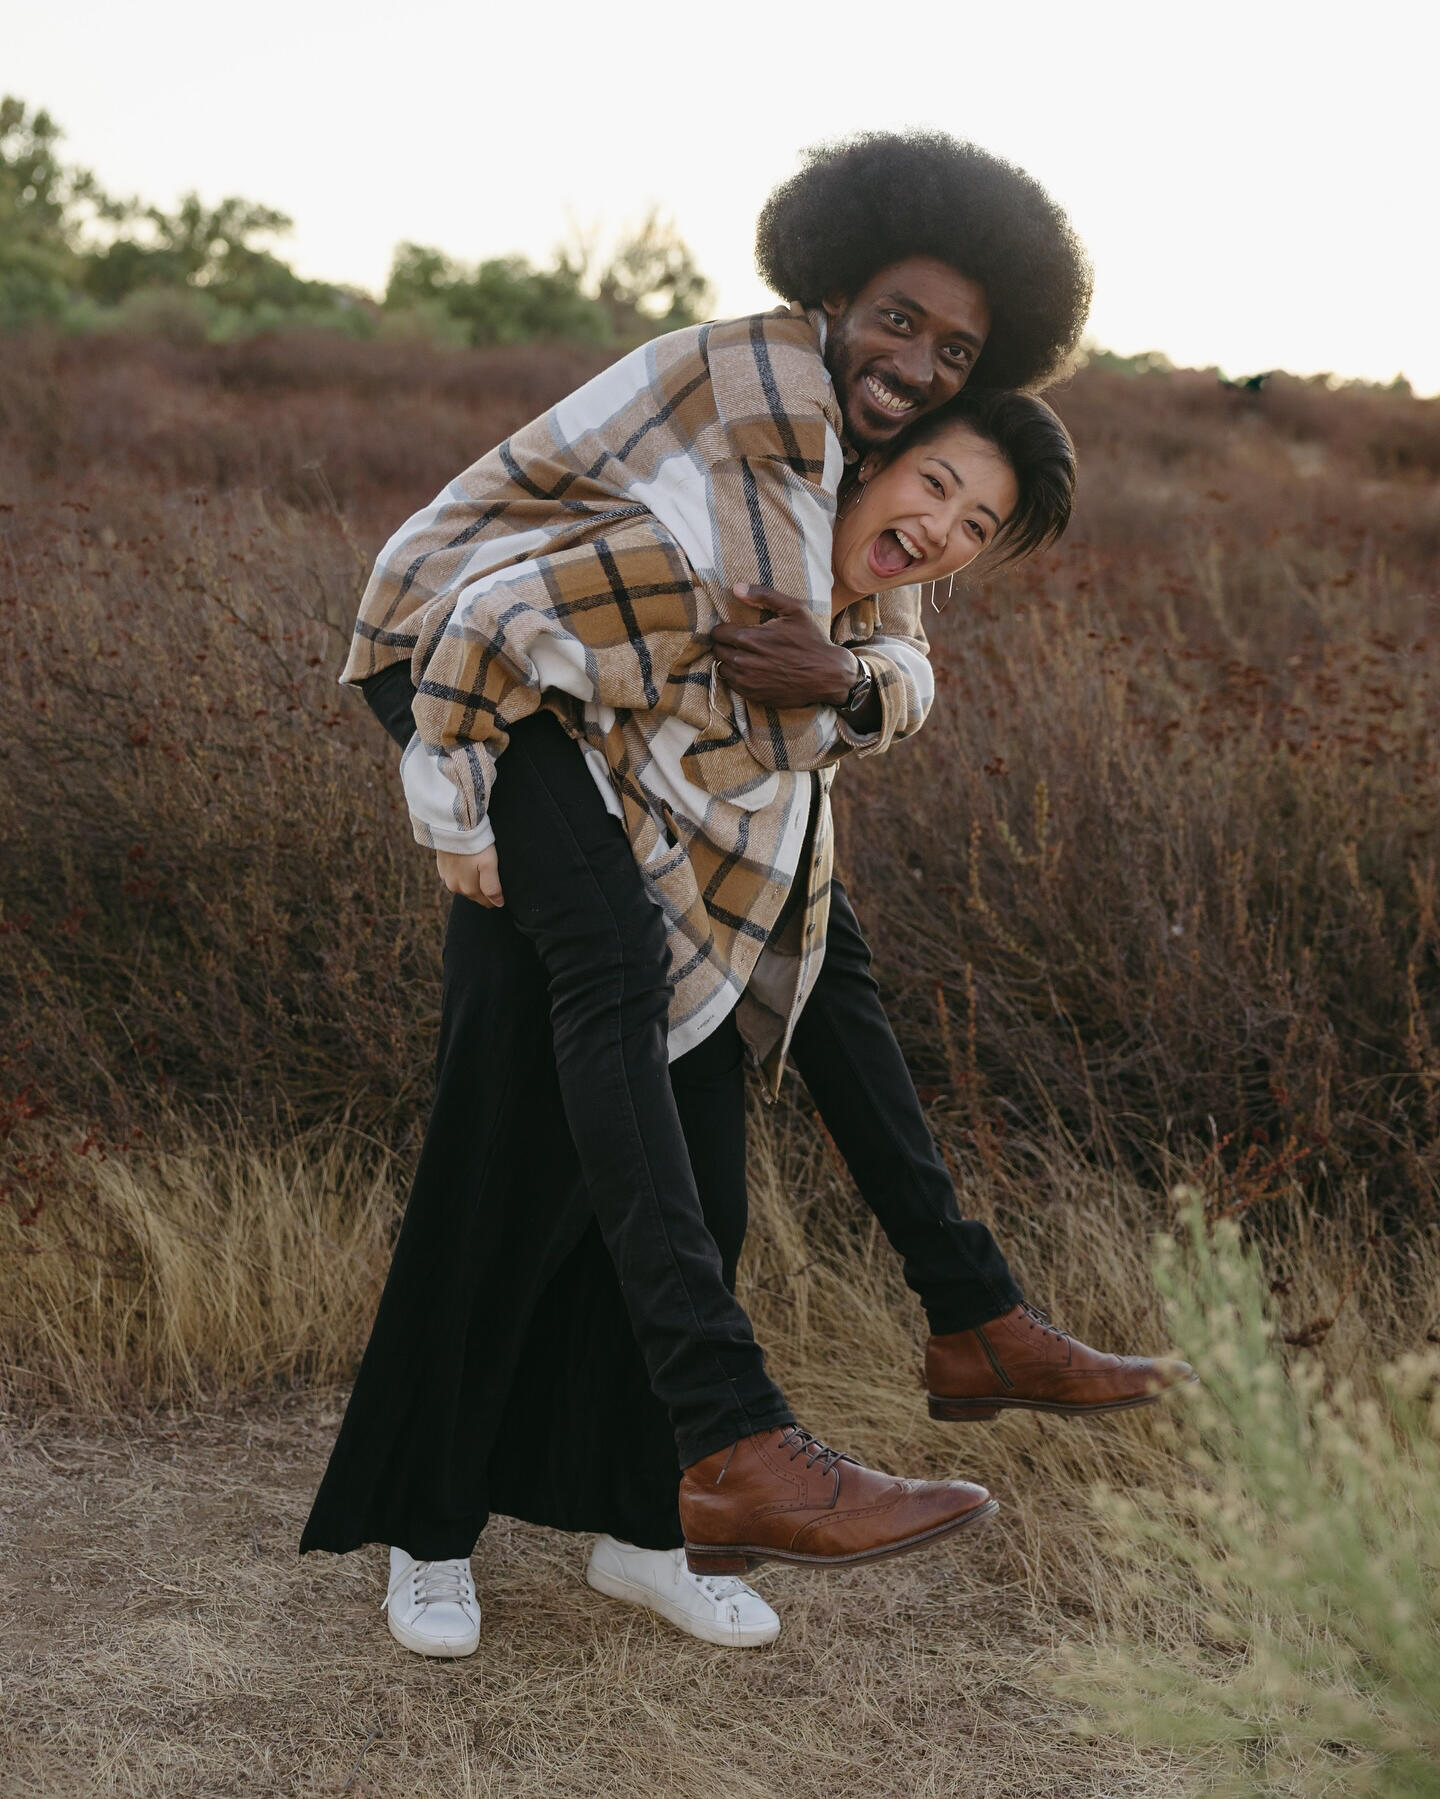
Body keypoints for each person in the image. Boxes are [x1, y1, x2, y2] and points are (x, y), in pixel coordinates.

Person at [302, 132, 1191, 1657]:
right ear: (833, 289)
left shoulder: (860, 473)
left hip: (622, 748)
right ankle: (448, 1525)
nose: (917, 364)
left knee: (732, 1102)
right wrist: (449, 812)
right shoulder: (758, 413)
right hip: (471, 687)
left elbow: (890, 655)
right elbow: (516, 630)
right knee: (514, 1142)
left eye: (955, 351)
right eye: (900, 320)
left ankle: (670, 1509)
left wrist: (851, 676)